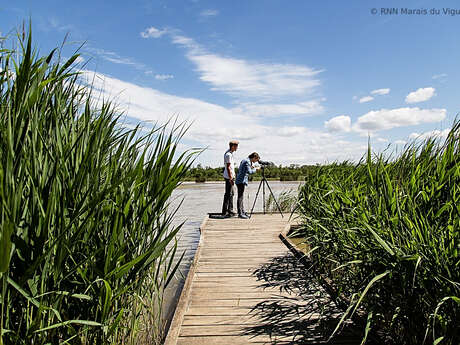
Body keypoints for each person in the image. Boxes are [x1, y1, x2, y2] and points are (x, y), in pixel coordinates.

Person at [235, 152, 260, 219]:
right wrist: (255, 169)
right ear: (254, 157)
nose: (255, 162)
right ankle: (240, 213)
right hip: (241, 181)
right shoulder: (247, 161)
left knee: (241, 197)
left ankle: (242, 212)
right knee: (240, 197)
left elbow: (245, 170)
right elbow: (249, 172)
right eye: (256, 160)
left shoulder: (245, 160)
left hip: (240, 180)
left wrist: (251, 167)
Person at [222, 140, 239, 217]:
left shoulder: (229, 153)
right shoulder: (228, 154)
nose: (237, 148)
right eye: (236, 146)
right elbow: (228, 167)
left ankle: (229, 211)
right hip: (229, 177)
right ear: (232, 146)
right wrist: (230, 178)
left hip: (230, 176)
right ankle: (227, 211)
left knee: (230, 194)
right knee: (229, 194)